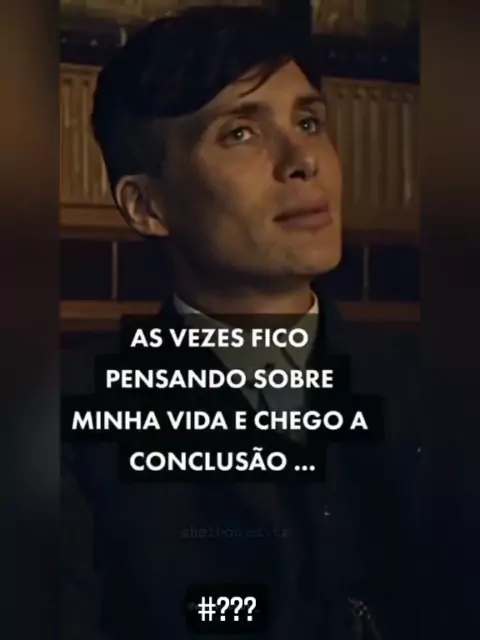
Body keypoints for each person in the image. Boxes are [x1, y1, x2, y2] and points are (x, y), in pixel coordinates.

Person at [61, 7, 421, 639]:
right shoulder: (67, 428)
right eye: (240, 133)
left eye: (308, 122)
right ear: (147, 206)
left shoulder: (435, 391)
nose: (303, 160)